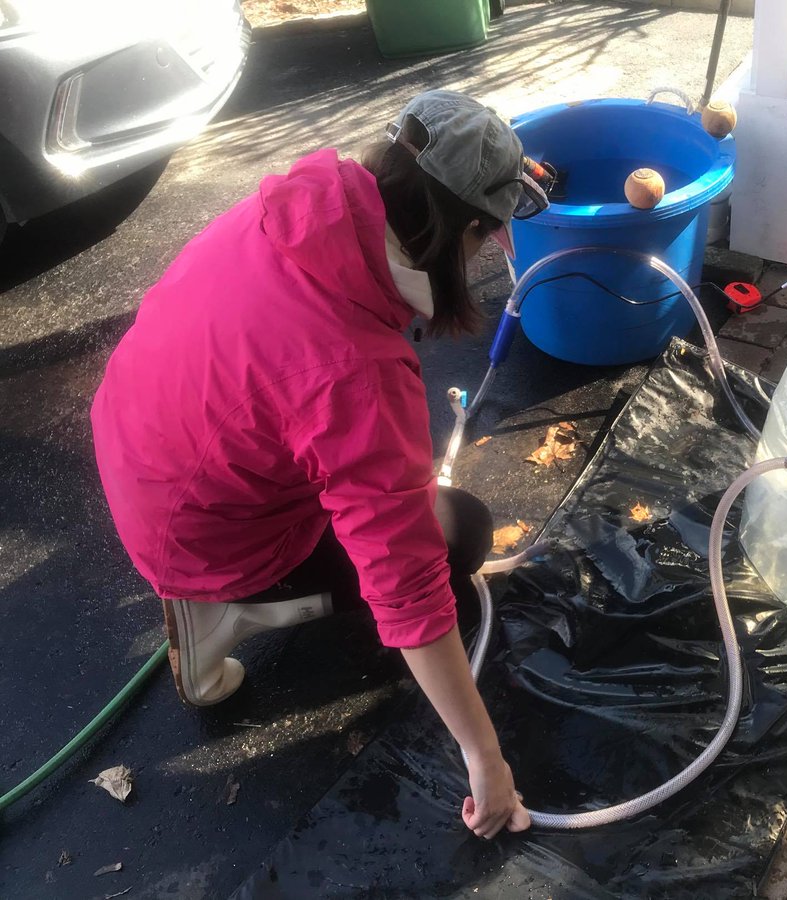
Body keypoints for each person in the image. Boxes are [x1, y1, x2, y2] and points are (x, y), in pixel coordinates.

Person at [91, 90, 549, 838]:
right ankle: (217, 614)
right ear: (466, 227)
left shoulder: (297, 207)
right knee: (459, 534)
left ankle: (212, 575)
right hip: (199, 532)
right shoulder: (353, 373)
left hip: (141, 443)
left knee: (404, 495)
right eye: (485, 237)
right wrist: (486, 759)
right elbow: (406, 587)